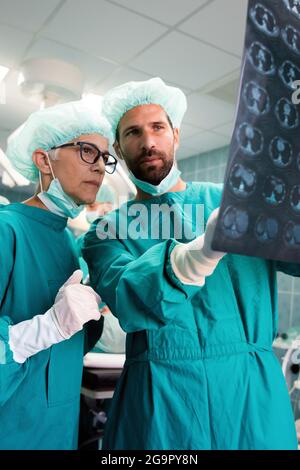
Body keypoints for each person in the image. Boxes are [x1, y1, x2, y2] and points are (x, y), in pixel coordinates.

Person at [82, 77, 299, 450]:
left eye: (158, 128)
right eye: (133, 132)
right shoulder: (106, 231)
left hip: (251, 396)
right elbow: (128, 296)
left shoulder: (234, 203)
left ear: (176, 135)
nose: (148, 142)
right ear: (117, 147)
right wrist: (198, 256)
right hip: (162, 403)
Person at [0, 100, 116, 450]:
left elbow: (67, 349)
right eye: (86, 151)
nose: (99, 167)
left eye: (105, 158)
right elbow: (51, 331)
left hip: (58, 429)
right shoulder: (7, 230)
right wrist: (45, 327)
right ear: (43, 159)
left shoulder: (70, 242)